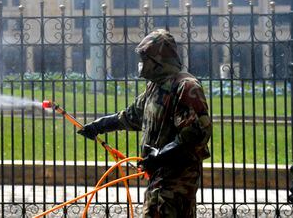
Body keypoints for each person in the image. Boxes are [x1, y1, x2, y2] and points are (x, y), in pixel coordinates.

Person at [77, 29, 212, 217]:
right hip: (159, 179)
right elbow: (131, 116)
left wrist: (160, 156)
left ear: (158, 60)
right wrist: (99, 126)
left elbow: (197, 133)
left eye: (145, 59)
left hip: (177, 183)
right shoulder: (156, 86)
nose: (142, 64)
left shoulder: (185, 86)